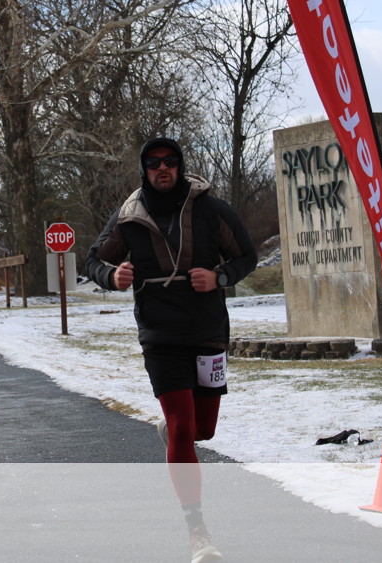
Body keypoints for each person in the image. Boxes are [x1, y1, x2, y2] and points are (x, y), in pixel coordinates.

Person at [86, 137, 257, 563]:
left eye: (169, 161)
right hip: (160, 334)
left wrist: (219, 277)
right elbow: (93, 261)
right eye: (153, 163)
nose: (162, 168)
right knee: (182, 427)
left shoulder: (211, 210)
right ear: (143, 170)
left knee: (203, 430)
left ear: (180, 166)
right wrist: (113, 276)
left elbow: (247, 256)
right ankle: (197, 529)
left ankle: (174, 433)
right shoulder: (130, 216)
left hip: (207, 330)